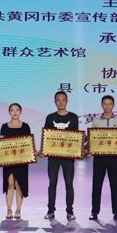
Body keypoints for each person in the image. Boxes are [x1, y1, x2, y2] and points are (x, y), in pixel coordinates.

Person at [88, 95, 117, 222]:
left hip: (114, 158)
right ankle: (94, 212)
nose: (107, 106)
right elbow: (92, 138)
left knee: (115, 185)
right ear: (101, 105)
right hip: (99, 158)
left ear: (113, 105)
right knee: (97, 185)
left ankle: (116, 212)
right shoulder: (96, 121)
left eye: (110, 104)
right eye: (105, 104)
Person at [44, 91, 79, 221]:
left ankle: (70, 211)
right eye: (58, 100)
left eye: (63, 100)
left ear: (67, 101)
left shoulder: (73, 117)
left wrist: (83, 141)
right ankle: (50, 211)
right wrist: (44, 150)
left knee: (69, 184)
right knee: (52, 183)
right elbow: (46, 137)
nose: (60, 102)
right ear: (55, 102)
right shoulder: (50, 117)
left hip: (68, 158)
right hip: (53, 157)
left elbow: (76, 137)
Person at [0, 103, 30, 220]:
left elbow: (28, 143)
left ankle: (18, 209)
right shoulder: (4, 127)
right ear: (9, 112)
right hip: (8, 160)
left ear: (20, 112)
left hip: (21, 161)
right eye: (12, 110)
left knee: (19, 184)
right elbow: (1, 144)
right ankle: (8, 209)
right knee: (10, 183)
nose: (15, 112)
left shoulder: (25, 126)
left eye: (17, 110)